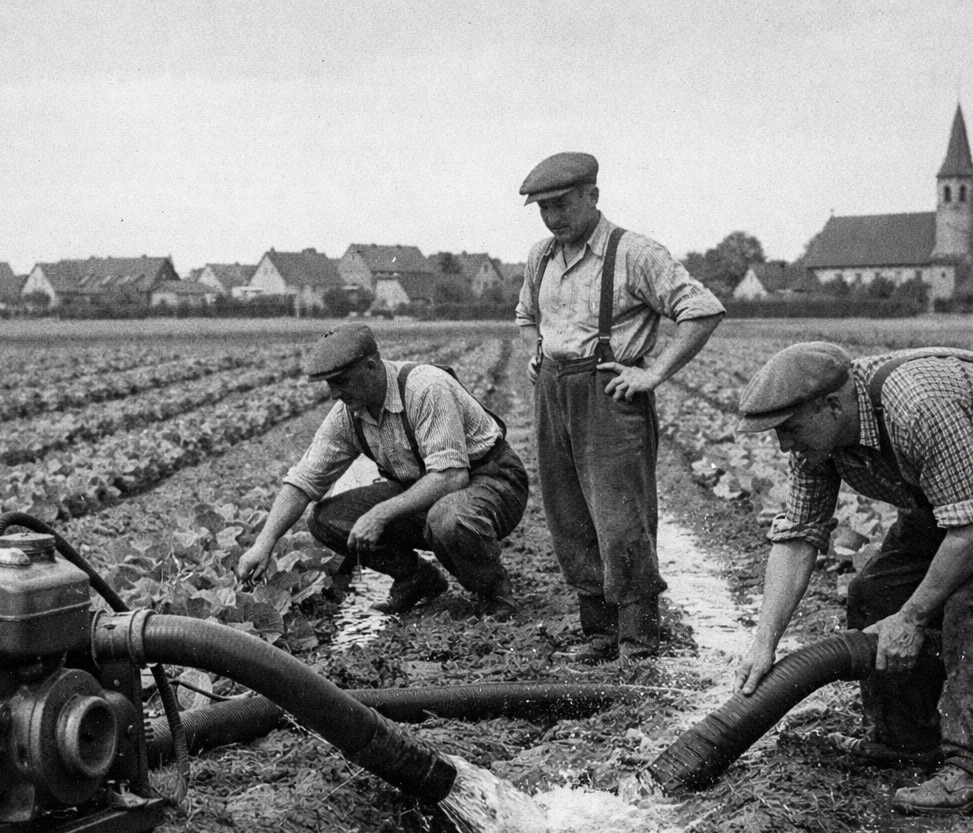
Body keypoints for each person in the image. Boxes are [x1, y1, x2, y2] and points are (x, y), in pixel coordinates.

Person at [734, 342, 973, 814]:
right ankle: (904, 742)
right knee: (875, 591)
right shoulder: (817, 443)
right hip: (959, 476)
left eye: (789, 429)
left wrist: (912, 618)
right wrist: (764, 642)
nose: (785, 444)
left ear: (832, 406)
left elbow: (972, 534)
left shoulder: (917, 407)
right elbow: (800, 536)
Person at [515, 151, 725, 661]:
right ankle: (599, 634)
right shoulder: (540, 256)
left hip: (608, 393)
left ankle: (638, 641)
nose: (552, 216)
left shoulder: (634, 253)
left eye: (561, 204)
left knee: (620, 517)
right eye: (542, 208)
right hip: (553, 392)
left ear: (593, 195)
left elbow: (701, 309)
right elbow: (526, 314)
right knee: (569, 516)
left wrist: (652, 373)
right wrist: (538, 351)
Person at [235, 323, 529, 619]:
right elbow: (304, 481)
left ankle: (494, 593)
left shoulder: (425, 388)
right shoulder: (348, 415)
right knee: (327, 518)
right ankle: (416, 578)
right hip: (425, 487)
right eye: (329, 384)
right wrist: (264, 543)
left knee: (447, 519)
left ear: (372, 367)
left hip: (491, 480)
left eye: (342, 381)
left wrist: (379, 514)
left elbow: (451, 477)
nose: (335, 393)